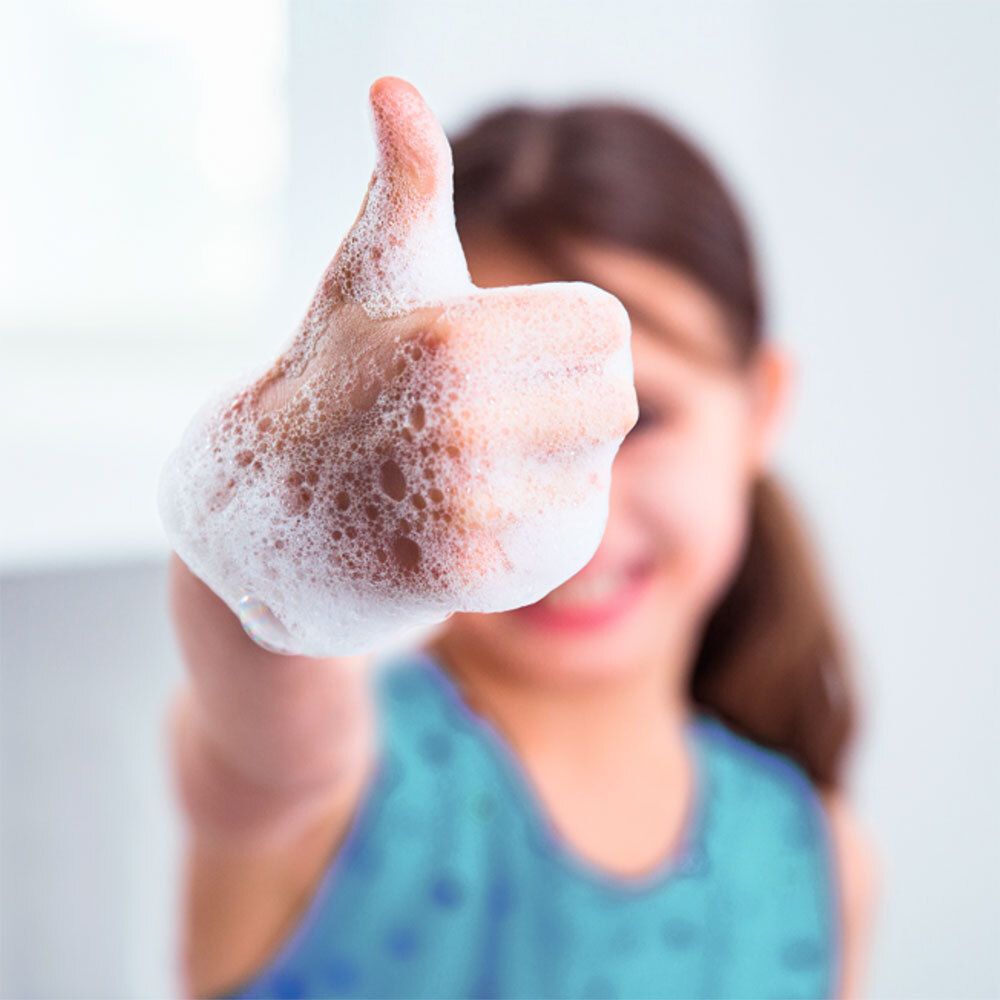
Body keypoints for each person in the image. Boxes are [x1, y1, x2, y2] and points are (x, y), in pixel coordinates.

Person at [165, 77, 878, 999]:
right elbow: (261, 727)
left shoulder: (822, 863)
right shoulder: (330, 783)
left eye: (645, 417)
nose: (575, 521)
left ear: (762, 409)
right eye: (476, 438)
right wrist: (290, 512)